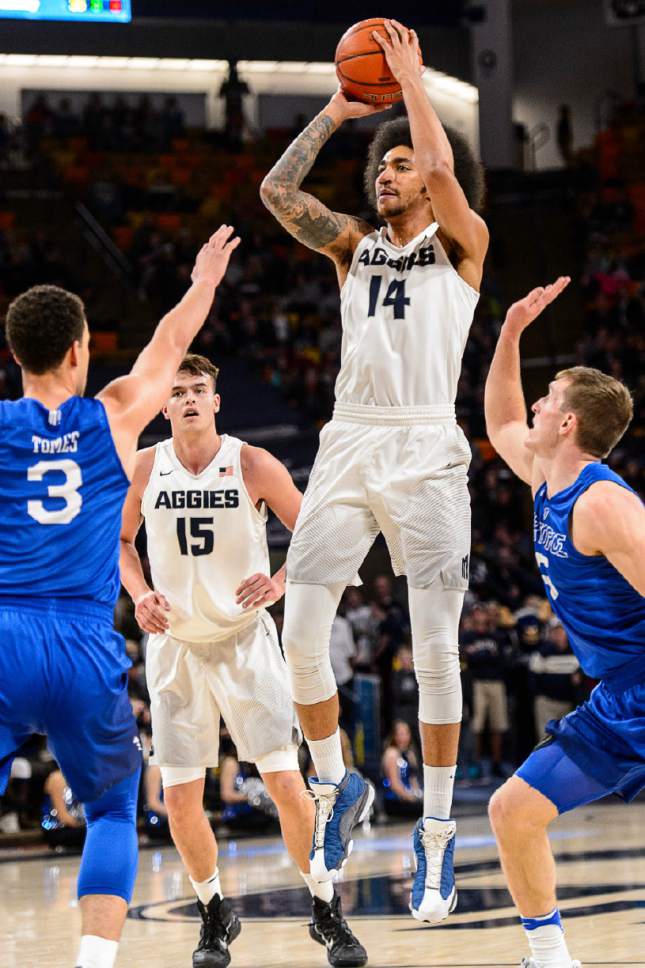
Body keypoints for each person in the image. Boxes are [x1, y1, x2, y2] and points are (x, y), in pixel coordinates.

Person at [260, 18, 488, 924]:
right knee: (299, 636)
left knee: (435, 650)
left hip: (428, 447)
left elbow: (441, 171)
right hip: (350, 440)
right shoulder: (354, 245)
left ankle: (435, 833)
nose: (385, 174)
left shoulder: (464, 241)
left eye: (397, 165)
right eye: (380, 166)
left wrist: (412, 85)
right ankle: (335, 788)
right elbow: (278, 189)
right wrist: (338, 106)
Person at [0, 224, 240, 968]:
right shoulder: (113, 413)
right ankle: (93, 964)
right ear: (79, 351)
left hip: (4, 633)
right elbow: (170, 342)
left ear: (15, 356)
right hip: (81, 639)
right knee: (109, 809)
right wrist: (202, 281)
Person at [119, 353, 366, 968]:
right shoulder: (145, 467)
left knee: (285, 782)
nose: (190, 399)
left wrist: (279, 583)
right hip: (175, 647)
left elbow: (318, 534)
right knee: (180, 797)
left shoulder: (250, 461)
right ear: (164, 406)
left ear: (217, 401)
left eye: (200, 389)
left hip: (244, 641)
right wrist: (139, 591)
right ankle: (212, 913)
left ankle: (326, 907)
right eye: (177, 392)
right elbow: (120, 543)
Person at [484, 276, 645, 968]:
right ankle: (549, 958)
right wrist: (509, 331)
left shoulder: (603, 505)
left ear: (568, 423)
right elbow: (497, 423)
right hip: (619, 694)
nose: (536, 408)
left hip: (639, 689)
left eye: (546, 399)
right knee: (513, 811)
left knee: (511, 810)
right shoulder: (544, 474)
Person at [460, 604, 510, 778]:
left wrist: (481, 656)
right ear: (472, 617)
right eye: (477, 614)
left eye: (483, 613)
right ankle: (478, 763)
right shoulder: (467, 636)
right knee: (477, 725)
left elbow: (502, 659)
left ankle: (496, 763)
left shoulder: (497, 635)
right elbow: (469, 658)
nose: (480, 617)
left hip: (496, 682)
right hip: (477, 683)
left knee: (498, 724)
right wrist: (486, 655)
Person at [381, 720, 423, 818]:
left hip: (408, 796)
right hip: (395, 800)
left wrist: (417, 794)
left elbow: (413, 778)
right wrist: (410, 798)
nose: (403, 737)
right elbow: (394, 785)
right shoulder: (391, 754)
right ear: (394, 736)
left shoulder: (409, 753)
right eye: (400, 734)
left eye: (406, 734)